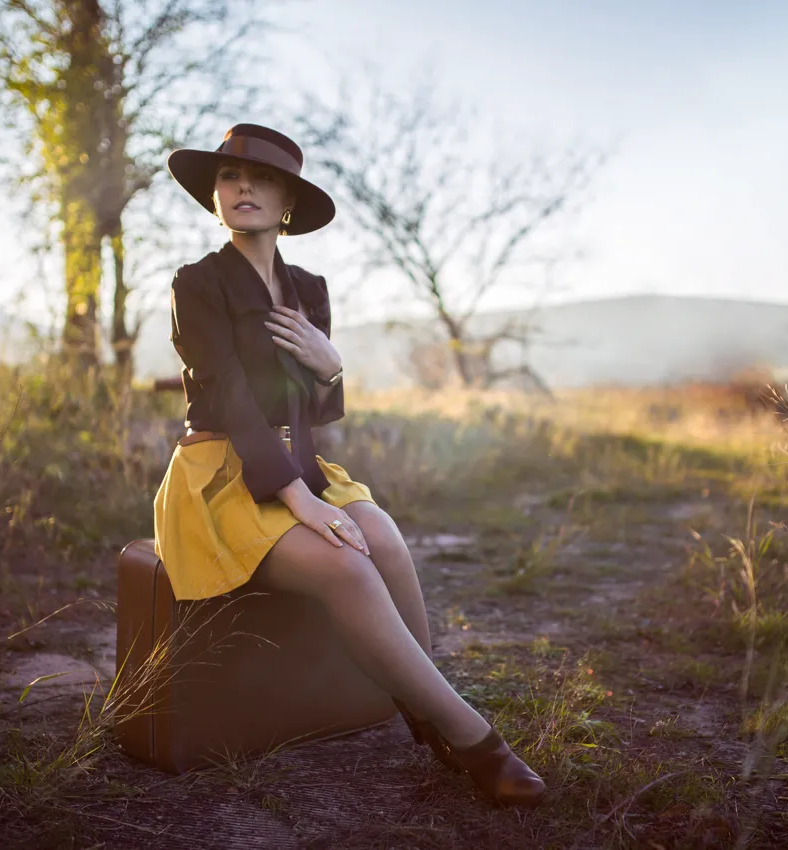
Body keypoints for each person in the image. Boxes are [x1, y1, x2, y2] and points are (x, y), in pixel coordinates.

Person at [152, 123, 546, 808]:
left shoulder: (309, 288)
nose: (243, 187)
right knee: (347, 564)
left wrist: (330, 367)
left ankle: (425, 712)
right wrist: (298, 499)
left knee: (383, 536)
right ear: (214, 196)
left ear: (287, 204)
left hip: (300, 459)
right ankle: (473, 739)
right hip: (221, 471)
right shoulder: (198, 283)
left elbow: (318, 410)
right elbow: (233, 399)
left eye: (263, 179)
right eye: (229, 176)